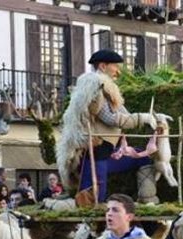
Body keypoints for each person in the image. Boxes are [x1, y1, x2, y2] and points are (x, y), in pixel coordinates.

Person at [56, 49, 162, 206]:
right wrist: (142, 118)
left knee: (143, 158)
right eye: (116, 67)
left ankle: (148, 199)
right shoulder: (95, 87)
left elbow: (125, 114)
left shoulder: (108, 89)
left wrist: (149, 117)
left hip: (108, 151)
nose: (118, 72)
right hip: (94, 151)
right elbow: (112, 118)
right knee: (95, 193)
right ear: (103, 66)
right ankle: (88, 225)